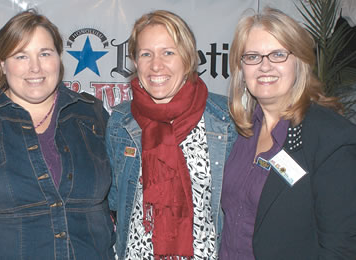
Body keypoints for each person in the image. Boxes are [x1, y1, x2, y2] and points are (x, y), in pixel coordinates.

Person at [0, 9, 115, 259]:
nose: (35, 68)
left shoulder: (93, 115)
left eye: (45, 53)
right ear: (2, 64)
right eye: (21, 56)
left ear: (59, 58)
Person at [220, 7, 356, 259]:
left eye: (278, 54)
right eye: (252, 56)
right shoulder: (239, 131)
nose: (264, 66)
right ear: (241, 67)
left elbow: (341, 249)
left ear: (300, 61)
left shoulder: (331, 138)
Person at [106, 10, 237, 260]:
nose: (156, 65)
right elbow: (114, 202)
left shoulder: (225, 120)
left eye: (168, 52)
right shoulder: (120, 122)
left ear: (187, 58)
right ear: (134, 62)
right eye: (146, 54)